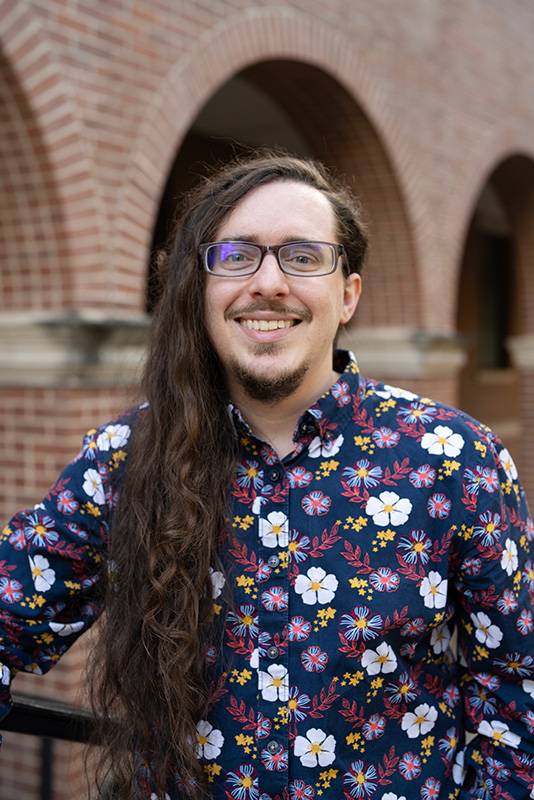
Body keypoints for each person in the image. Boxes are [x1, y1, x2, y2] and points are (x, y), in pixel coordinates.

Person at [0, 152, 533, 800]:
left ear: (348, 294)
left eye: (303, 256)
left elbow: (516, 702)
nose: (269, 282)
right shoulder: (124, 459)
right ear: (202, 289)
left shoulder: (457, 462)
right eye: (236, 256)